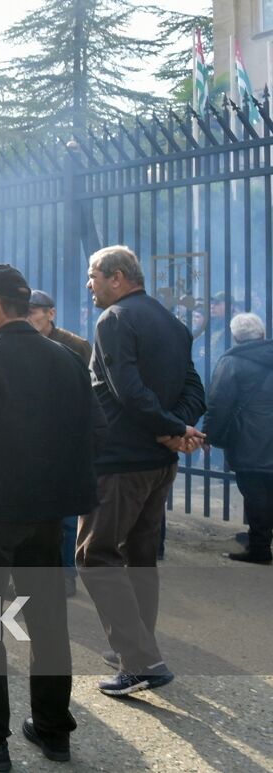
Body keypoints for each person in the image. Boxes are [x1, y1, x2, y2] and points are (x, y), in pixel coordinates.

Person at [0, 264, 102, 772]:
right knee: (47, 621)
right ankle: (53, 728)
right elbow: (92, 430)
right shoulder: (66, 357)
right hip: (45, 513)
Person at [81, 245, 206, 698]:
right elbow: (195, 389)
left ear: (117, 277)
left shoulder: (113, 319)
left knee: (95, 556)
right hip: (158, 463)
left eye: (93, 275)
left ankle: (140, 660)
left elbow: (127, 392)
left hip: (121, 462)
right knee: (140, 556)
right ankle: (138, 647)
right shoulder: (171, 322)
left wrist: (172, 429)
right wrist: (176, 430)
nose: (89, 285)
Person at [28, 289, 93, 595]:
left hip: (66, 439)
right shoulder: (20, 344)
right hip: (30, 440)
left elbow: (90, 393)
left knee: (66, 515)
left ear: (50, 313)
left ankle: (66, 573)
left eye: (33, 311)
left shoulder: (75, 346)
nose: (28, 317)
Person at [204, 312, 273, 564]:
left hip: (248, 438)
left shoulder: (231, 362)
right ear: (262, 334)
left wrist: (208, 435)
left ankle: (260, 548)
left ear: (235, 337)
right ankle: (260, 539)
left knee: (255, 493)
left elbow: (219, 403)